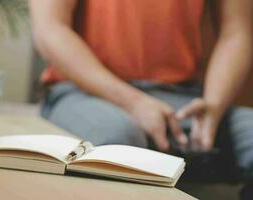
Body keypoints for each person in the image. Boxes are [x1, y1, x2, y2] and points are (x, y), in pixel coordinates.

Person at [29, 0, 253, 198]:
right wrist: (134, 102)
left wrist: (214, 105)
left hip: (179, 99)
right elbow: (50, 28)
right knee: (118, 141)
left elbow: (237, 32)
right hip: (85, 92)